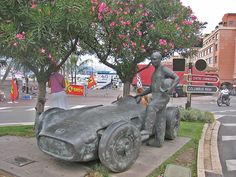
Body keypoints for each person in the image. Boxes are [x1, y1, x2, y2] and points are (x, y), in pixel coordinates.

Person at [135, 51, 179, 147]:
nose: (152, 61)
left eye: (155, 59)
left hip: (162, 96)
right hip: (156, 96)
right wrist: (140, 94)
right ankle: (159, 141)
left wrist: (171, 88)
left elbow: (177, 77)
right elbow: (151, 88)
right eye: (151, 59)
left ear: (160, 59)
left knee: (151, 107)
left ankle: (147, 130)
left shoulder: (163, 69)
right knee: (160, 119)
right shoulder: (155, 72)